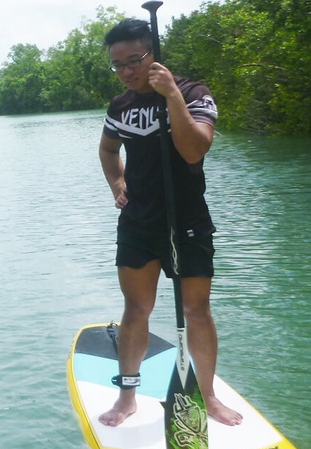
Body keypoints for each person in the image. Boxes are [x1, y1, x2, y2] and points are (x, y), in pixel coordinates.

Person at [97, 19, 242, 427]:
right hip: (139, 222)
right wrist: (117, 183)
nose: (126, 71)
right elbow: (108, 151)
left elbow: (194, 150)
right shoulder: (120, 105)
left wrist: (172, 95)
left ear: (153, 54)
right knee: (136, 308)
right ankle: (127, 396)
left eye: (134, 60)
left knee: (197, 309)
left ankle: (208, 396)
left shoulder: (194, 92)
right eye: (118, 64)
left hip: (188, 220)